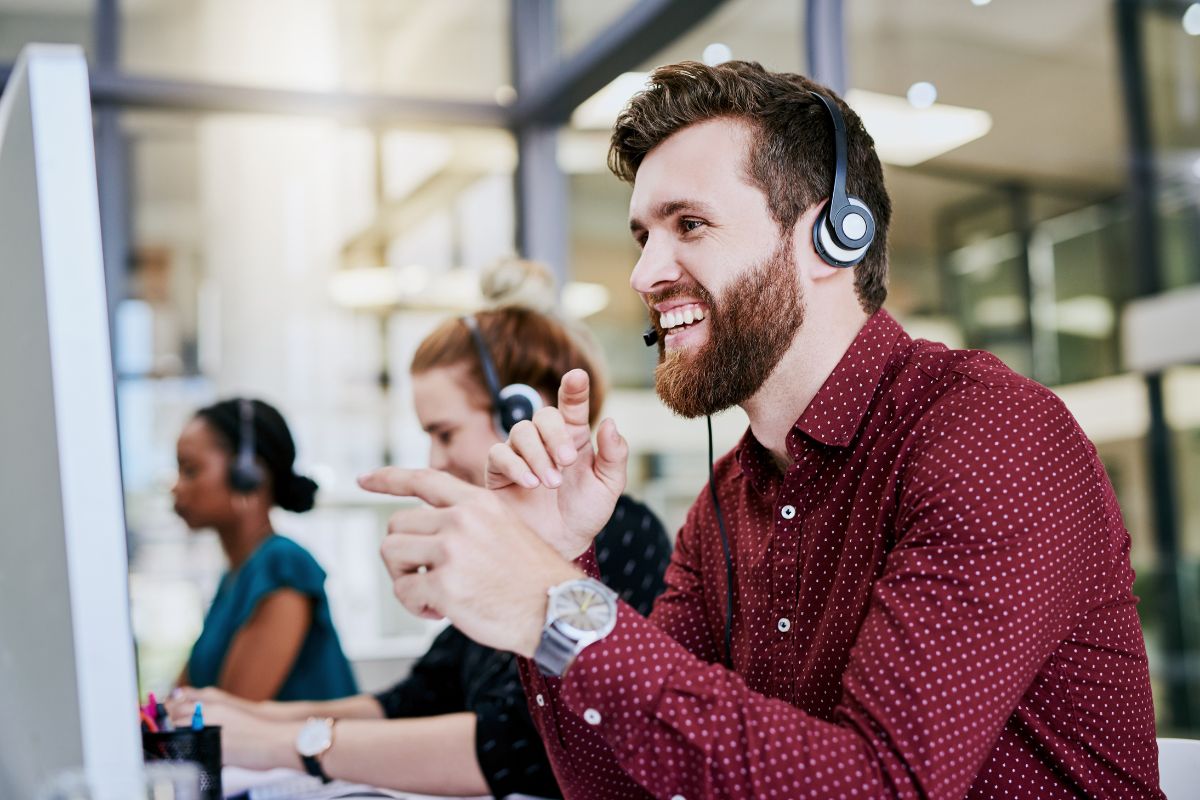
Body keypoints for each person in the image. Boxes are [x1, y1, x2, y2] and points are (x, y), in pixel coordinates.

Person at [360, 61, 1164, 799]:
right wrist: (562, 563)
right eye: (644, 235)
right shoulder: (726, 502)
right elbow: (618, 790)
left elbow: (882, 787)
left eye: (690, 224)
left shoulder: (989, 434)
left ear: (830, 237)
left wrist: (555, 606)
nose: (644, 275)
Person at [170, 270, 672, 798]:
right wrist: (252, 717)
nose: (435, 460)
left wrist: (286, 742)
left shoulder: (618, 535)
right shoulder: (505, 548)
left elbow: (514, 749)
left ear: (519, 414)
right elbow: (416, 698)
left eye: (445, 432)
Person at [173, 398, 357, 702]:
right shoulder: (235, 576)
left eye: (190, 470)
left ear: (248, 474)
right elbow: (181, 699)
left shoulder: (282, 565)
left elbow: (232, 714)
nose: (177, 487)